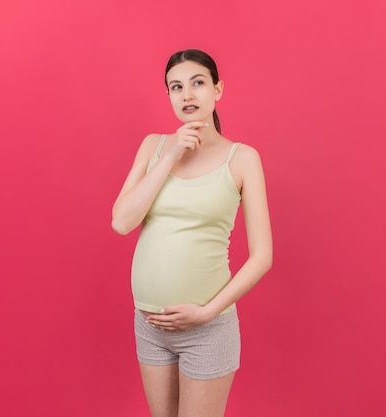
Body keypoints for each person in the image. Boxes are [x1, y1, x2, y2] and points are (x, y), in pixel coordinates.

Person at [111, 49, 272, 417]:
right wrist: (170, 156)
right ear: (167, 95)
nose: (187, 95)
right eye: (176, 87)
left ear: (217, 90)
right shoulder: (153, 146)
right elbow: (122, 222)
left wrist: (207, 312)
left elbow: (263, 255)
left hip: (208, 328)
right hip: (149, 324)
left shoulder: (243, 158)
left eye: (197, 83)